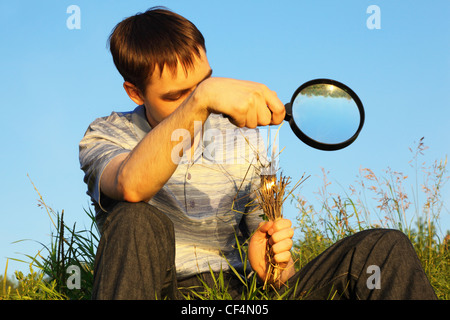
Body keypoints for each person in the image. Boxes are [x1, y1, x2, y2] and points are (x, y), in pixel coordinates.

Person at [79, 7, 437, 300]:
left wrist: (273, 267)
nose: (198, 98)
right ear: (135, 92)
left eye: (203, 82)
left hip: (244, 298)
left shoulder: (243, 141)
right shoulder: (107, 134)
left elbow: (280, 277)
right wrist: (204, 98)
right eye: (178, 95)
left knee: (384, 249)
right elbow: (130, 185)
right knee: (134, 218)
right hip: (162, 292)